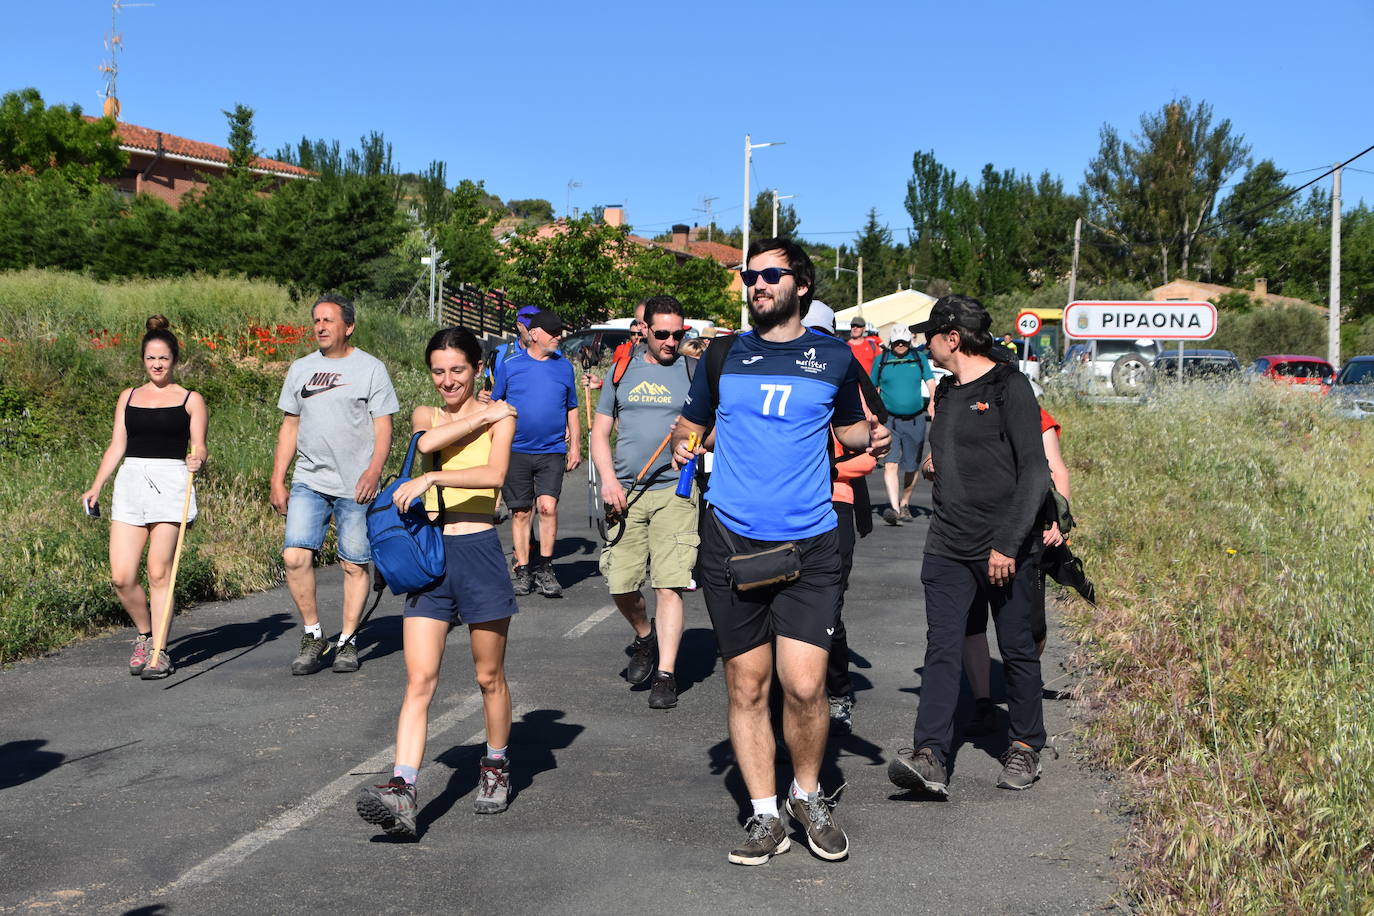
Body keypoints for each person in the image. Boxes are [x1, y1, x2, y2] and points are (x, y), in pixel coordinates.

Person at [673, 237, 889, 866]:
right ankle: (765, 814)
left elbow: (850, 428)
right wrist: (687, 444)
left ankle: (808, 794)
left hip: (810, 541)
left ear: (802, 285)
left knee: (803, 685)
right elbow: (691, 425)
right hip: (732, 539)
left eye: (771, 274)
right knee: (745, 684)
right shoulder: (721, 355)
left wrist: (868, 431)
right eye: (750, 275)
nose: (757, 283)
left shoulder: (833, 356)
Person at [356, 328, 520, 838]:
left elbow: (494, 476)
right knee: (419, 679)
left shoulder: (505, 417)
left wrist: (434, 478)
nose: (448, 380)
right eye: (439, 371)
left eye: (458, 370)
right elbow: (426, 441)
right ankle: (403, 788)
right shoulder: (430, 415)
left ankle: (495, 765)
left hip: (479, 554)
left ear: (477, 368)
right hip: (432, 557)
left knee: (488, 677)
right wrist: (480, 414)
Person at [887, 295, 1049, 797]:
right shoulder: (948, 392)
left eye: (930, 335)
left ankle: (1024, 745)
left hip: (1005, 547)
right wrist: (938, 464)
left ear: (952, 338)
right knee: (942, 647)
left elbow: (1035, 473)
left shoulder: (1010, 386)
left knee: (1018, 648)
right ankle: (930, 754)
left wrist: (1006, 544)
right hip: (947, 546)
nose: (925, 344)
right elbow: (960, 454)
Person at [270, 295, 398, 675]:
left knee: (353, 562)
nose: (321, 327)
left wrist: (374, 471)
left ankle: (348, 640)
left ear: (349, 326)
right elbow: (290, 425)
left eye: (328, 320)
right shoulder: (301, 369)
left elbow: (383, 426)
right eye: (316, 321)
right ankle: (313, 634)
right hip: (310, 478)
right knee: (294, 556)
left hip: (356, 483)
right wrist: (277, 478)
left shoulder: (371, 369)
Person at [81, 315, 207, 679]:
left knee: (158, 572)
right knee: (122, 577)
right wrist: (96, 485)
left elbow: (200, 445)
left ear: (174, 360)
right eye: (151, 358)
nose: (157, 365)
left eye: (163, 359)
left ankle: (160, 652)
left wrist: (198, 458)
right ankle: (145, 633)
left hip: (171, 482)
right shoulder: (129, 396)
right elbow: (117, 445)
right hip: (131, 482)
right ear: (143, 360)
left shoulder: (190, 399)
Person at [590, 295, 698, 710]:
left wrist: (689, 438)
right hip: (627, 492)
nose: (672, 341)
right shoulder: (621, 369)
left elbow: (712, 432)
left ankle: (667, 676)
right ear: (645, 330)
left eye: (679, 333)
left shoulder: (693, 371)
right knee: (620, 581)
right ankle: (644, 636)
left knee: (669, 584)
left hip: (675, 489)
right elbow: (600, 434)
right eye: (664, 333)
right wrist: (608, 482)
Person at [961, 404, 1070, 734]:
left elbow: (1058, 471)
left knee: (1032, 626)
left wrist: (1060, 522)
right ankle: (982, 701)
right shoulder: (964, 408)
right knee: (972, 621)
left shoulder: (1033, 414)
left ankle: (1024, 682)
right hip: (971, 530)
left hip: (1028, 531)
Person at [801, 300, 881, 733]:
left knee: (827, 603)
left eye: (819, 333)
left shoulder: (843, 379)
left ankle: (837, 690)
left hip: (836, 503)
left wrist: (823, 469)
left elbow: (867, 457)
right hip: (787, 506)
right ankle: (798, 689)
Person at [492, 309, 580, 598]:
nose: (559, 337)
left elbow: (572, 408)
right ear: (535, 334)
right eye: (553, 332)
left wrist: (576, 445)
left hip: (552, 450)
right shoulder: (511, 365)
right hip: (515, 450)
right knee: (520, 512)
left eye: (560, 332)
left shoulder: (564, 367)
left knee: (547, 508)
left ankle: (545, 566)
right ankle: (523, 569)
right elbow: (498, 404)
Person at [871, 326, 936, 525]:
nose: (901, 345)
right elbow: (872, 388)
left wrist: (933, 401)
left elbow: (931, 381)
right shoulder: (881, 360)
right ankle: (895, 508)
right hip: (889, 420)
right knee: (890, 464)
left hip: (915, 419)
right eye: (897, 342)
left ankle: (905, 501)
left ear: (909, 342)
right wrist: (871, 414)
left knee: (911, 465)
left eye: (904, 342)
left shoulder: (918, 359)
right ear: (891, 342)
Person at [488, 305, 540, 392]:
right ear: (519, 325)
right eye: (530, 329)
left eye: (538, 329)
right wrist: (483, 395)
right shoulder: (501, 353)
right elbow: (489, 387)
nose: (534, 334)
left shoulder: (552, 355)